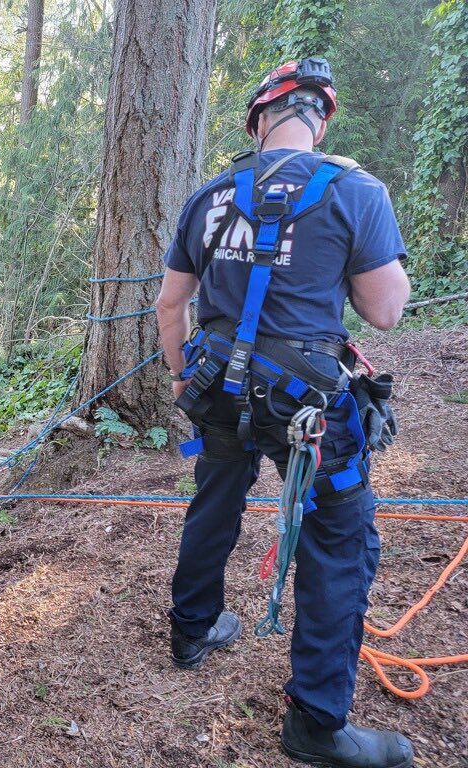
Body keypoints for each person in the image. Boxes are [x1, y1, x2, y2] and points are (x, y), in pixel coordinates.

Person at [155, 57, 413, 768]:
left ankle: (193, 629)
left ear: (257, 121)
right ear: (320, 119)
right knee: (339, 538)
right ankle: (317, 722)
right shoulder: (355, 191)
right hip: (305, 404)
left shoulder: (209, 196)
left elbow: (169, 304)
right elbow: (386, 311)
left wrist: (182, 382)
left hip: (216, 388)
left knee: (215, 498)